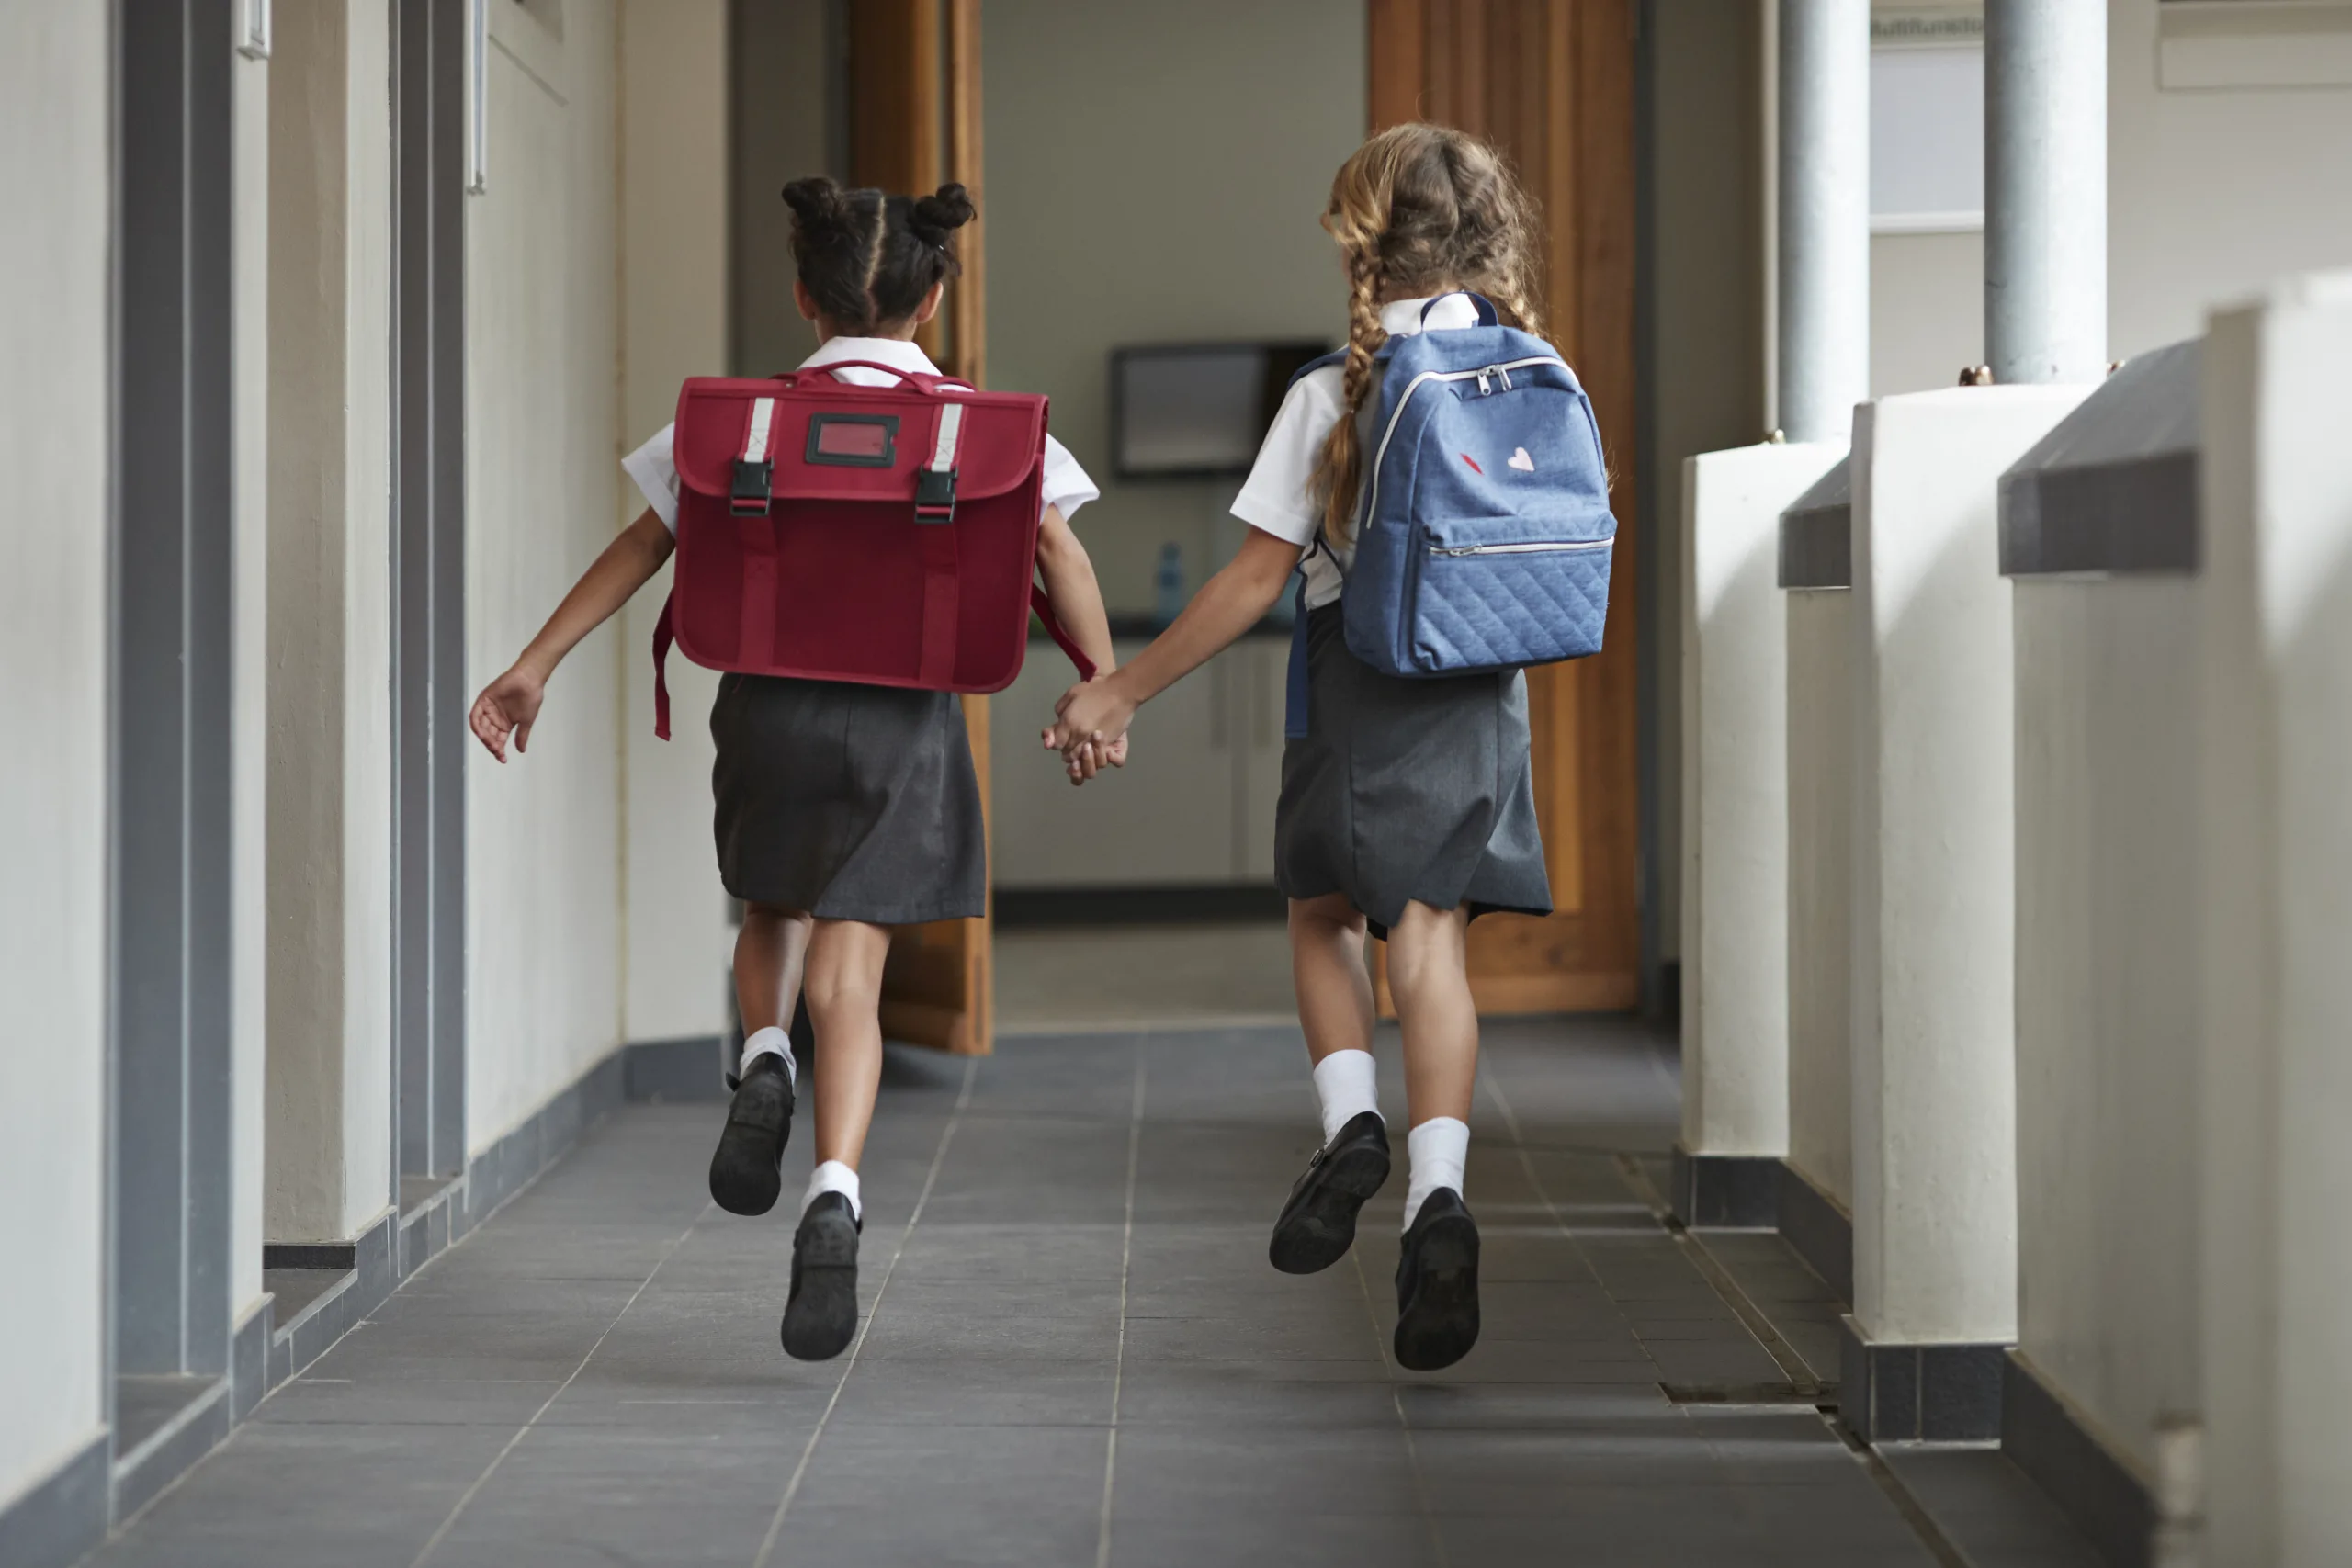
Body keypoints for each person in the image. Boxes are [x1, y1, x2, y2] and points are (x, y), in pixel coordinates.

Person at [469, 176, 1120, 1361]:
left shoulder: (740, 424)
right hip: (904, 723)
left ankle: (761, 1058)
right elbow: (1059, 550)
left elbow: (642, 545)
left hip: (767, 709)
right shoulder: (982, 428)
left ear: (804, 298)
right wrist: (1100, 685)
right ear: (932, 305)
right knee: (854, 969)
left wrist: (533, 663)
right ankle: (834, 1191)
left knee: (771, 906)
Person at [1047, 123, 1554, 1372]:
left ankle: (1352, 1127)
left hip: (1359, 689)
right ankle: (1441, 1194)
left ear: (1363, 242)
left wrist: (1120, 689)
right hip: (1485, 695)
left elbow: (1252, 581)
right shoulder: (1532, 369)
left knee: (1321, 912)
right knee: (1427, 938)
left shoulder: (1336, 389)